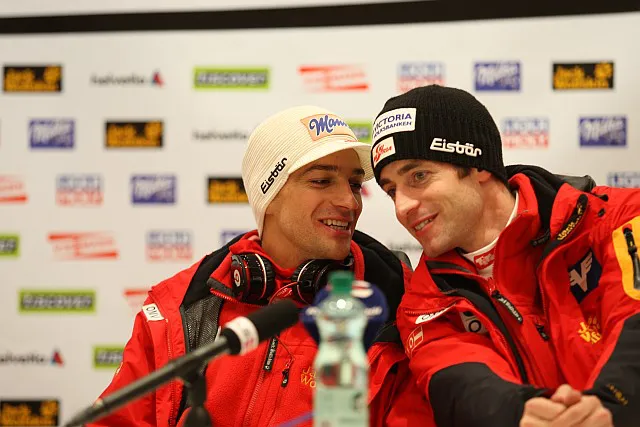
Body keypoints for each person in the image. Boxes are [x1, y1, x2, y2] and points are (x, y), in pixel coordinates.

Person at [88, 105, 432, 427]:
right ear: (270, 195)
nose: (349, 202)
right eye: (321, 181)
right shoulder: (181, 307)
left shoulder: (401, 309)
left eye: (354, 184)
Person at [370, 84, 640, 427]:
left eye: (419, 176)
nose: (402, 207)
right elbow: (466, 386)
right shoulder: (423, 303)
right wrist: (522, 412)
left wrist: (611, 405)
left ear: (478, 165)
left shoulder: (620, 219)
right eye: (391, 190)